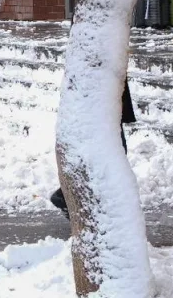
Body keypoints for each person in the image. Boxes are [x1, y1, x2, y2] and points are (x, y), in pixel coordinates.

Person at [49, 80, 135, 218]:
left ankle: (76, 197)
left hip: (104, 98)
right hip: (99, 99)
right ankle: (68, 196)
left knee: (115, 152)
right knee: (113, 153)